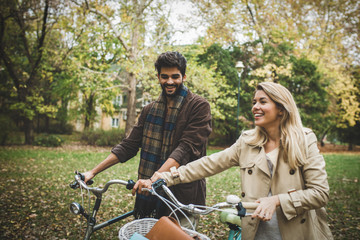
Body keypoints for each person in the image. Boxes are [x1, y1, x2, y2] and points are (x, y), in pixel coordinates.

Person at [135, 82, 333, 239]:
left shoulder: (304, 140)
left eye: (263, 102)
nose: (255, 107)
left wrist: (277, 201)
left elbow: (320, 193)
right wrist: (162, 178)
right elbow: (208, 164)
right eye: (254, 102)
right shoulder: (247, 141)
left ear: (281, 108)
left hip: (296, 232)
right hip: (256, 231)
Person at [82, 51, 212, 227]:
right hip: (150, 195)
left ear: (184, 76)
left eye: (175, 76)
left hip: (181, 196)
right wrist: (92, 172)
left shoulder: (199, 106)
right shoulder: (149, 110)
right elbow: (129, 145)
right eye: (164, 77)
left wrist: (153, 180)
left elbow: (185, 150)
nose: (170, 81)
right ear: (158, 77)